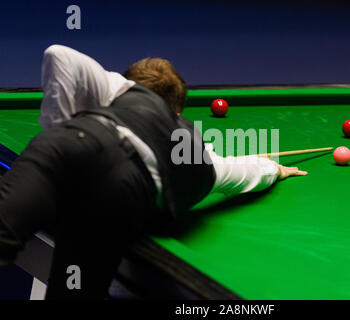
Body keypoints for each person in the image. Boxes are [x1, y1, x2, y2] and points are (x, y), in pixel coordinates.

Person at [0, 45, 307, 299]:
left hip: (60, 147)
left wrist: (61, 131)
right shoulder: (190, 148)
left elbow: (58, 54)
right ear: (176, 114)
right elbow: (238, 172)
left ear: (129, 87)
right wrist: (273, 169)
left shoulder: (112, 89)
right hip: (120, 188)